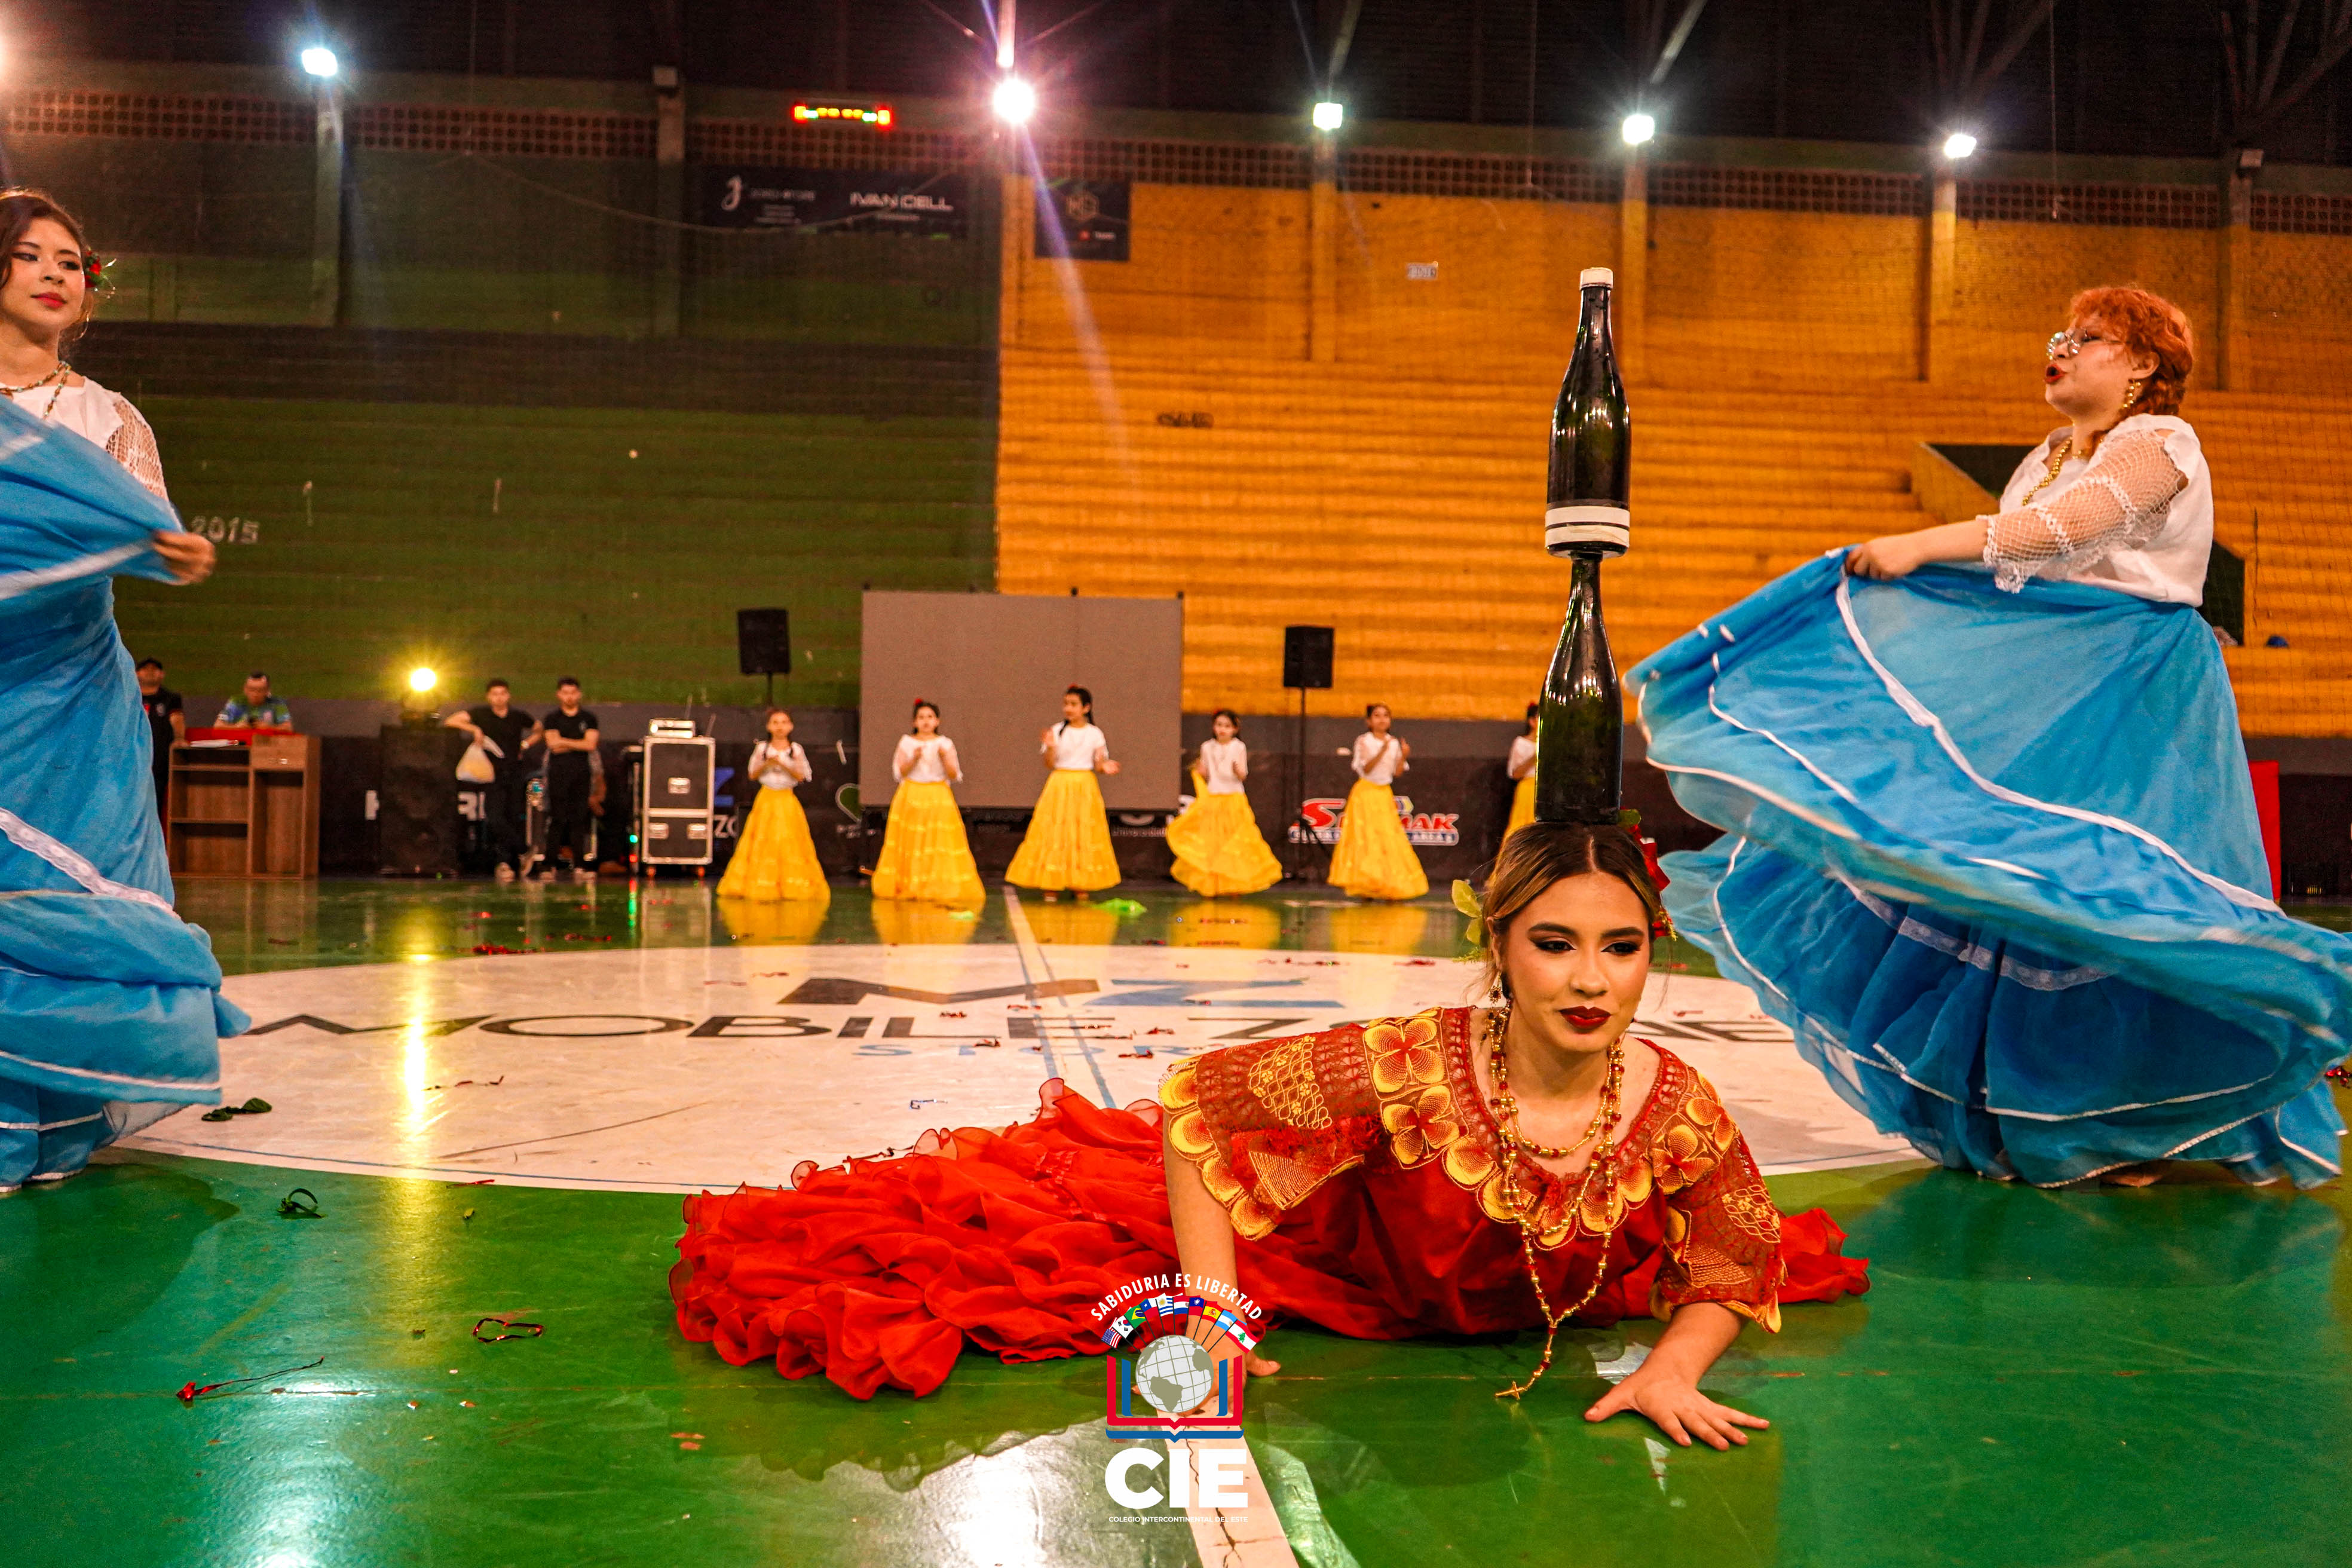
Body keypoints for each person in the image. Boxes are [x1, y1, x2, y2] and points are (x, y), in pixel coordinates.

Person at [670, 822, 1869, 1424]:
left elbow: (1733, 1238)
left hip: (1530, 1303)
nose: (1590, 978)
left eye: (1621, 946)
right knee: (990, 1260)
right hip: (1352, 1282)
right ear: (1497, 948)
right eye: (1553, 943)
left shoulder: (1673, 1102)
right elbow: (1194, 1104)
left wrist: (1673, 1362)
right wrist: (1208, 1305)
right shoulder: (1404, 1063)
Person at [1634, 285, 2352, 1190]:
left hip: (2132, 690)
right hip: (2058, 681)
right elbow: (2024, 563)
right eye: (2059, 336)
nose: (2060, 349)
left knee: (2102, 897)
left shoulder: (2162, 442)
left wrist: (1925, 545)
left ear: (2140, 366)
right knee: (2010, 895)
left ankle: (2134, 1118)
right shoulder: (2048, 454)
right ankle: (2039, 1114)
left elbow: (2071, 529)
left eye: (2086, 339)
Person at [0, 186, 240, 1191]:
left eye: (73, 261)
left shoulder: (105, 416)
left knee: (56, 903)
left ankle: (50, 1119)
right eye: (32, 255)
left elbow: (148, 531)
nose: (58, 273)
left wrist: (172, 553)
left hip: (72, 700)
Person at [1005, 685, 1123, 901]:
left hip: (1084, 786)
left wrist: (1105, 767)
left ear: (1086, 708)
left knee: (1082, 833)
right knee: (1056, 832)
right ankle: (1052, 883)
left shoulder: (1095, 733)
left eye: (1074, 704)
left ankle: (1081, 882)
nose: (1068, 709)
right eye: (1066, 704)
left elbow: (1098, 763)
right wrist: (1050, 746)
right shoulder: (1058, 730)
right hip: (1060, 784)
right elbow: (1049, 763)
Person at [868, 699, 984, 905]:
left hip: (938, 795)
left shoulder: (945, 743)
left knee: (938, 842)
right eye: (921, 718)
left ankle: (936, 885)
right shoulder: (907, 742)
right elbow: (899, 772)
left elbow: (954, 774)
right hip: (912, 794)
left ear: (937, 721)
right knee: (911, 842)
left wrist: (944, 757)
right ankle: (910, 884)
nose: (926, 722)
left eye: (930, 717)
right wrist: (913, 758)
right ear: (914, 721)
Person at [717, 708, 829, 904]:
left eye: (784, 722)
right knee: (763, 839)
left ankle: (790, 884)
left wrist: (785, 765)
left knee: (788, 840)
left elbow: (802, 776)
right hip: (767, 799)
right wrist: (767, 765)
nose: (780, 727)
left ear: (791, 726)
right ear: (769, 726)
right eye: (776, 723)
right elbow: (752, 774)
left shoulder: (796, 750)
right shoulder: (762, 749)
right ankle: (762, 884)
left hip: (786, 799)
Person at [1165, 708, 1281, 896]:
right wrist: (1200, 771)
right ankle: (1214, 886)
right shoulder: (1207, 747)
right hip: (1213, 799)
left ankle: (1235, 886)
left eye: (1227, 726)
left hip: (1233, 798)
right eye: (1219, 725)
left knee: (1234, 842)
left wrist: (1237, 771)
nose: (1222, 730)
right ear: (1214, 727)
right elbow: (1206, 772)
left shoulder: (1239, 747)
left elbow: (1243, 775)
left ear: (1235, 729)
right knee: (1213, 843)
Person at [1329, 702, 1428, 900]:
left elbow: (1397, 772)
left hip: (1384, 794)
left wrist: (1403, 756)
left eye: (1385, 716)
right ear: (1369, 721)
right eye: (1377, 716)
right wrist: (1383, 750)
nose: (1382, 720)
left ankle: (1390, 885)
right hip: (1366, 794)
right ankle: (1367, 885)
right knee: (1366, 839)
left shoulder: (1393, 742)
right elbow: (1366, 769)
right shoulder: (1364, 741)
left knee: (1388, 839)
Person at [445, 678, 539, 883]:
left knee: (513, 816)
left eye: (503, 693)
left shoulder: (517, 716)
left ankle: (506, 863)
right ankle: (523, 850)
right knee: (495, 817)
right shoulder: (481, 714)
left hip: (514, 772)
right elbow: (451, 720)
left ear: (508, 695)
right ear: (489, 696)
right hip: (491, 774)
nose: (499, 698)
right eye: (495, 694)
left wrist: (525, 744)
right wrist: (475, 730)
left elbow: (539, 729)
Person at [538, 677, 599, 883]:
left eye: (573, 693)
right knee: (557, 819)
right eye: (565, 693)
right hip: (558, 774)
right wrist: (577, 743)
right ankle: (549, 864)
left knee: (579, 820)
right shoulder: (552, 718)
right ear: (559, 695)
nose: (569, 697)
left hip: (581, 774)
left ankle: (580, 865)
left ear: (579, 694)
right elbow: (553, 746)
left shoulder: (589, 718)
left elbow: (590, 745)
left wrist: (564, 741)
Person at [135, 657, 182, 820]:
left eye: (154, 669)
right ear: (136, 673)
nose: (149, 672)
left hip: (158, 759)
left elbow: (177, 720)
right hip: (132, 757)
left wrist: (179, 738)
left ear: (161, 674)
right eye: (145, 668)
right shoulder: (129, 698)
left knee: (155, 801)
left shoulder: (170, 699)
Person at [1505, 702, 1539, 843]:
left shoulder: (1554, 744)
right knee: (1520, 826)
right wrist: (1536, 755)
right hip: (1528, 790)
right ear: (1532, 721)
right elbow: (1515, 773)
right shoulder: (1521, 743)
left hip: (1544, 790)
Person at [215, 670, 292, 730]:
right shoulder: (236, 702)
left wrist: (269, 728)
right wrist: (236, 727)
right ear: (245, 689)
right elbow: (218, 726)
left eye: (260, 690)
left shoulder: (277, 703)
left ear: (268, 691)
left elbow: (288, 728)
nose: (255, 694)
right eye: (252, 689)